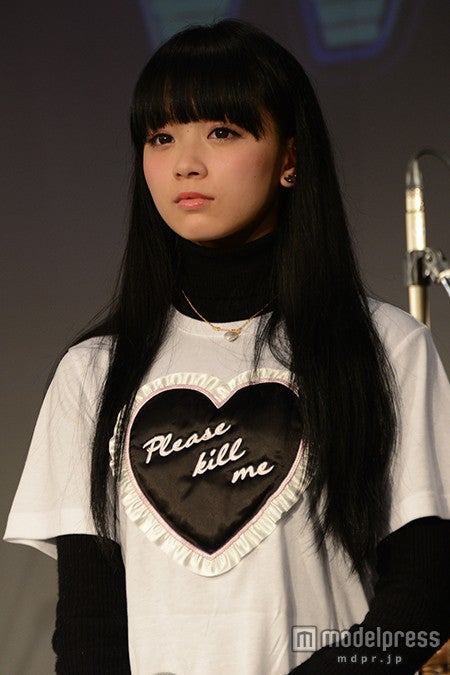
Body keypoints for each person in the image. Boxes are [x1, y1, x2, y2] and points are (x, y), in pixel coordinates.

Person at [4, 19, 450, 675]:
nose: (185, 162)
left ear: (290, 157)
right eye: (161, 137)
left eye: (222, 131)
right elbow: (88, 632)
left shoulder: (386, 349)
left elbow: (423, 601)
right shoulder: (92, 373)